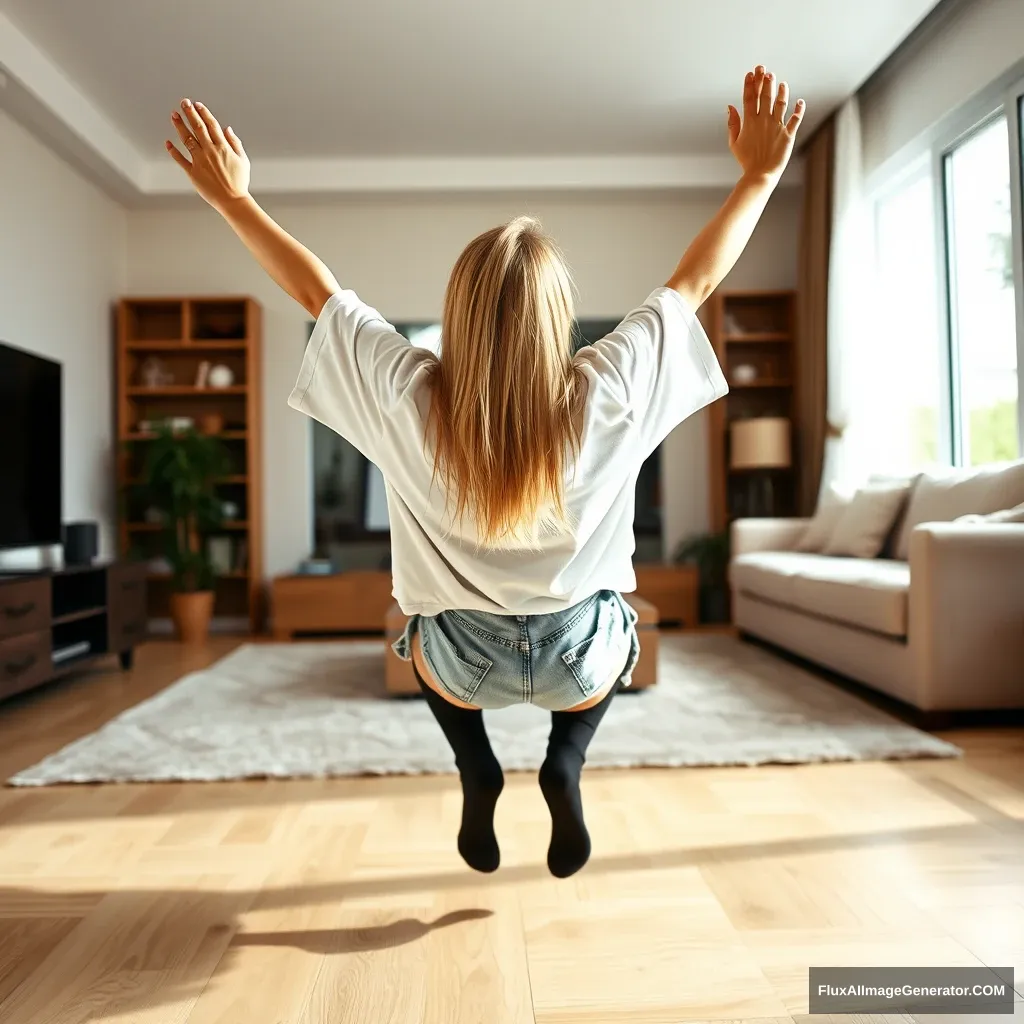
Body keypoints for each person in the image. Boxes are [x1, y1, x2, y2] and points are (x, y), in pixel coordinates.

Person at [165, 65, 804, 878]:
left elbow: (316, 294)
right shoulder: (608, 388)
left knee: (416, 632)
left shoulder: (407, 396)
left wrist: (233, 200)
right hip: (579, 657)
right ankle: (566, 760)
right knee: (622, 621)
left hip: (464, 661)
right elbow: (696, 282)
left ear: (459, 312)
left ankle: (476, 766)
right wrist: (760, 175)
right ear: (557, 318)